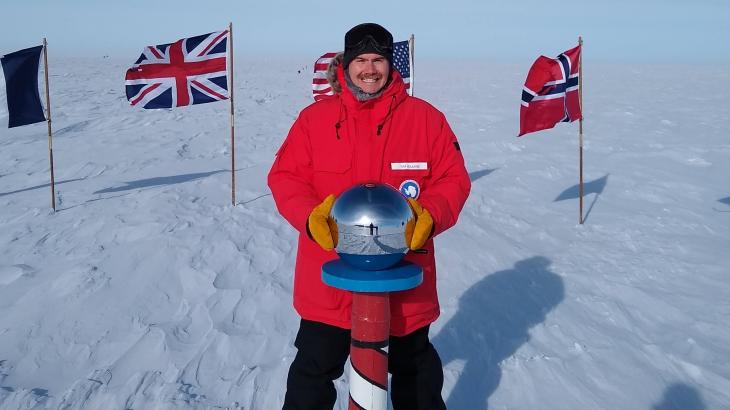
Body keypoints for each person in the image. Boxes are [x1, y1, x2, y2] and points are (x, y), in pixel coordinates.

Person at [268, 22, 471, 410]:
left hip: (404, 281)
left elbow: (453, 180)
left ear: (390, 64)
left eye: (377, 59)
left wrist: (430, 215)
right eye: (360, 59)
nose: (369, 68)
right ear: (345, 65)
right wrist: (311, 218)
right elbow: (285, 177)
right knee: (312, 376)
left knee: (416, 377)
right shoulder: (314, 120)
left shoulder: (425, 119)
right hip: (329, 280)